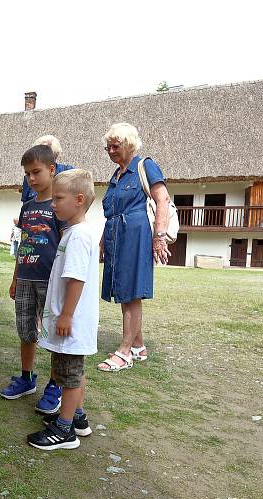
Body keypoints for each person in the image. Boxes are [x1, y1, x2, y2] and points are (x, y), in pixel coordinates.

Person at [27, 169, 98, 450]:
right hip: (69, 319)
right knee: (71, 372)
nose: (52, 204)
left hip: (72, 320)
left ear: (79, 200)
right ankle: (77, 417)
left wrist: (66, 314)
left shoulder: (79, 236)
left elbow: (76, 279)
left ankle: (65, 430)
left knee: (69, 375)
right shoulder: (74, 233)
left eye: (58, 198)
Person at [98, 123, 171, 372]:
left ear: (128, 144)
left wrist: (159, 236)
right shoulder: (117, 175)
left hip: (136, 234)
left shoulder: (145, 166)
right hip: (116, 235)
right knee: (123, 291)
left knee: (132, 293)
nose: (110, 151)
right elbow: (111, 213)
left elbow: (163, 199)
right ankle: (138, 346)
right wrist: (102, 241)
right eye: (107, 147)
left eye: (115, 146)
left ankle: (125, 351)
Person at [1, 145, 66, 415]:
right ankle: (26, 378)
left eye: (36, 172)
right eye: (27, 174)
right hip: (26, 278)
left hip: (50, 280)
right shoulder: (27, 208)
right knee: (26, 331)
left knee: (52, 335)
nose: (31, 178)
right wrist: (15, 278)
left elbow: (65, 246)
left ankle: (56, 385)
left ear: (52, 169)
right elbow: (23, 245)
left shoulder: (60, 207)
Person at [20, 135, 74, 203]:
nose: (31, 178)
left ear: (56, 156)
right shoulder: (28, 178)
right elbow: (25, 204)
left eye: (36, 172)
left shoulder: (68, 172)